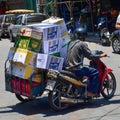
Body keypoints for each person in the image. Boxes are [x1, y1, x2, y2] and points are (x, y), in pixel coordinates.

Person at [66, 28, 107, 97]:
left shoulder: (71, 43)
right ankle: (91, 92)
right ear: (84, 36)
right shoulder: (82, 44)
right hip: (76, 68)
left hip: (67, 67)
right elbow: (90, 56)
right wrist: (101, 55)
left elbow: (80, 53)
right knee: (95, 72)